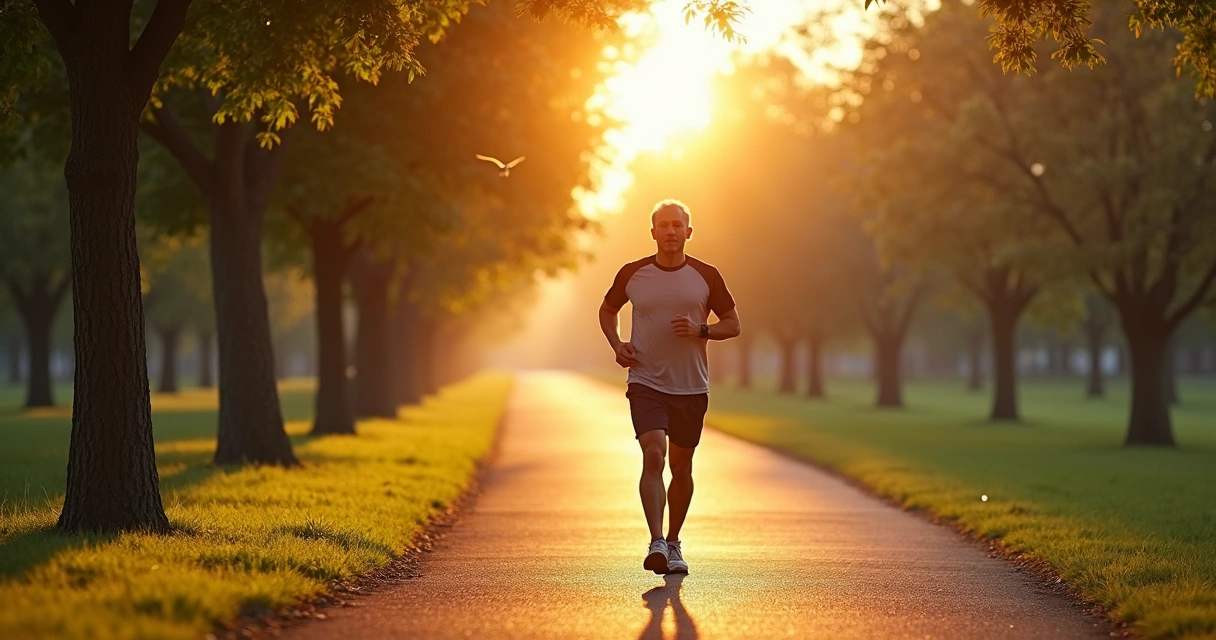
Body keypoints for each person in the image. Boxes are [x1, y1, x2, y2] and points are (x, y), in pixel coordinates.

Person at [598, 199, 742, 575]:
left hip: (691, 386)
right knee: (654, 454)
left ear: (688, 232)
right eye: (663, 225)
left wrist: (701, 329)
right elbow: (607, 310)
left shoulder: (706, 276)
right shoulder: (633, 273)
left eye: (677, 225)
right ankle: (656, 541)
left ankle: (675, 541)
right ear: (653, 232)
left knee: (681, 465)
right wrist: (617, 345)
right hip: (646, 381)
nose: (670, 231)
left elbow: (733, 324)